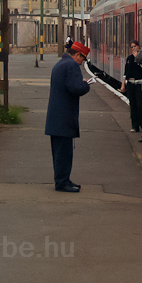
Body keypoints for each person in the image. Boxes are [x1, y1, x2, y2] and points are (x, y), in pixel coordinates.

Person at [45, 41, 92, 192]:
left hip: (57, 118)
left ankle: (64, 180)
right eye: (82, 58)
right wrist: (86, 85)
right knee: (64, 153)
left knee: (60, 152)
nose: (82, 62)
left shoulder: (61, 64)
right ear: (77, 54)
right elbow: (75, 88)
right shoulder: (71, 66)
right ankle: (62, 183)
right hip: (64, 118)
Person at [123, 40, 142, 132]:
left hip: (139, 84)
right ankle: (134, 125)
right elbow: (126, 73)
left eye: (135, 46)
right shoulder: (129, 58)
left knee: (141, 105)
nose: (133, 49)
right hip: (130, 84)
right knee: (132, 104)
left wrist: (138, 60)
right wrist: (123, 85)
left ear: (139, 47)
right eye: (131, 47)